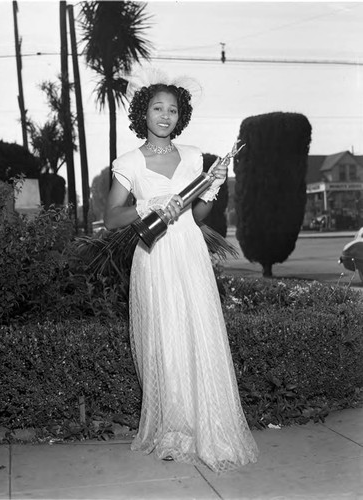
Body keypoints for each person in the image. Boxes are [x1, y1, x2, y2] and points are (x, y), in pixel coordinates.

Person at [104, 71, 259, 473]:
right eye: (158, 107)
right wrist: (148, 205)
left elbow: (199, 215)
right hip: (154, 256)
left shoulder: (192, 156)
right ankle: (174, 432)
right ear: (144, 112)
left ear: (180, 115)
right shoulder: (129, 163)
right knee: (166, 341)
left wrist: (212, 187)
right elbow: (109, 218)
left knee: (199, 333)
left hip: (189, 253)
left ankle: (210, 427)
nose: (165, 115)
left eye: (173, 109)